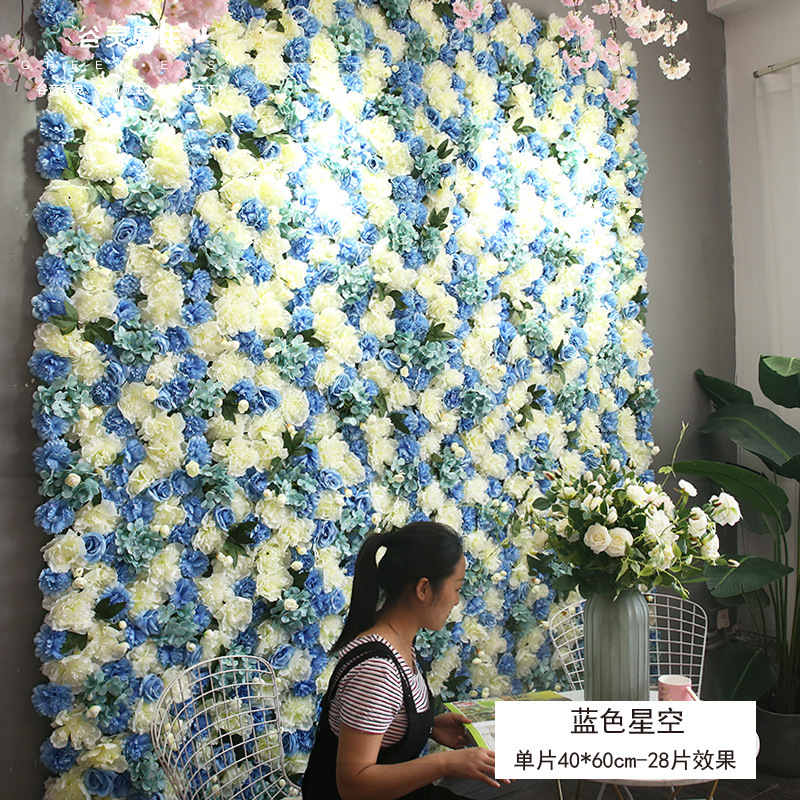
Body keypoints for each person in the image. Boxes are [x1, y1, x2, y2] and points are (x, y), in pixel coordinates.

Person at [302, 521, 507, 800]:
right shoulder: (378, 669)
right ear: (423, 589)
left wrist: (431, 726)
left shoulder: (399, 644)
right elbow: (353, 785)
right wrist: (445, 763)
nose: (457, 601)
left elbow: (382, 724)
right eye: (457, 588)